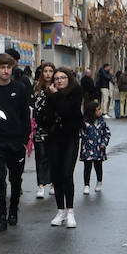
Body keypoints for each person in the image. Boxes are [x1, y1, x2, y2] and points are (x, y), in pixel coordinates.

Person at [0, 52, 32, 232]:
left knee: (16, 179)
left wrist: (25, 140)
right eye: (2, 67)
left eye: (8, 67)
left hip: (16, 141)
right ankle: (1, 215)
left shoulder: (20, 88)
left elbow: (25, 115)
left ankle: (13, 210)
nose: (6, 71)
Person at [44, 68, 83, 227]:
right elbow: (45, 116)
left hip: (70, 138)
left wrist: (55, 96)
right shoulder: (49, 94)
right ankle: (60, 210)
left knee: (67, 174)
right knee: (57, 175)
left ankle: (70, 211)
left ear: (69, 79)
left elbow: (67, 111)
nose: (59, 80)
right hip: (54, 139)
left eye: (63, 77)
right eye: (57, 78)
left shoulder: (76, 91)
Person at [31, 62, 57, 200]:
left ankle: (53, 182)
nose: (48, 73)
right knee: (40, 156)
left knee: (53, 155)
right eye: (45, 71)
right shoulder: (36, 88)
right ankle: (41, 185)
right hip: (39, 127)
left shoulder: (57, 87)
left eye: (50, 71)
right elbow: (32, 107)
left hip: (54, 127)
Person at [79, 98, 110, 196]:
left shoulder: (102, 122)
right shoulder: (84, 123)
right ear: (92, 111)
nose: (100, 111)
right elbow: (81, 133)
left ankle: (99, 181)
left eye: (100, 109)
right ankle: (86, 185)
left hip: (99, 149)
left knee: (98, 166)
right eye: (98, 109)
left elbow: (107, 133)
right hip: (87, 148)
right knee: (87, 167)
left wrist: (104, 143)